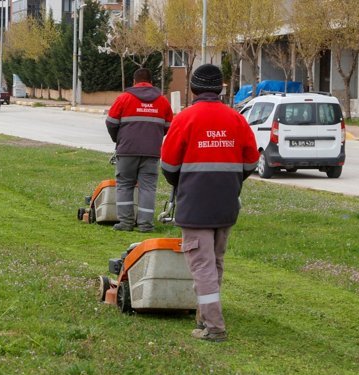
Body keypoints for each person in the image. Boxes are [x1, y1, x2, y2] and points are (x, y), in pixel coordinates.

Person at [159, 64, 259, 342]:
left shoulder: (185, 118)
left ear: (193, 88)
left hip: (195, 204)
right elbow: (251, 160)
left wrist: (180, 181)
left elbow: (168, 164)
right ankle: (204, 316)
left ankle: (214, 326)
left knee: (201, 265)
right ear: (221, 89)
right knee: (214, 262)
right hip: (226, 203)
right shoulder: (236, 119)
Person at [106, 68, 173, 232]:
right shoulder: (162, 101)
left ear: (134, 81)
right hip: (151, 151)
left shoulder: (124, 98)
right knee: (148, 187)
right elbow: (169, 126)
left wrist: (118, 139)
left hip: (127, 150)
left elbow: (111, 122)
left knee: (124, 185)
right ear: (151, 82)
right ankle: (145, 224)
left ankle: (126, 222)